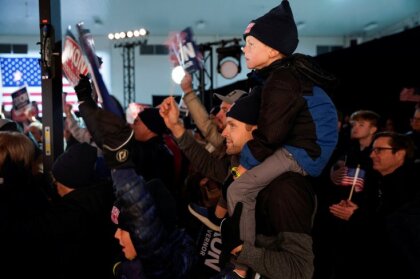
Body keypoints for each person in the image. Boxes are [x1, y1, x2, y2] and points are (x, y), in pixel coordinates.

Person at [160, 93, 316, 279]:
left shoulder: (286, 189)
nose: (224, 132)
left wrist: (241, 249)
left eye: (232, 125)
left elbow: (300, 269)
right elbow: (209, 165)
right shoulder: (242, 167)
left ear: (258, 132)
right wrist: (176, 128)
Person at [74, 87, 198, 278]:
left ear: (149, 127)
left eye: (138, 122)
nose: (133, 125)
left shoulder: (152, 154)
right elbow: (106, 142)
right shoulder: (161, 148)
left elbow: (140, 208)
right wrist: (86, 104)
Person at [329, 132, 419, 278]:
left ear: (400, 154)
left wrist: (355, 216)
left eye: (379, 150)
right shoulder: (380, 181)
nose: (372, 155)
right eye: (372, 150)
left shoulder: (409, 187)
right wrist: (356, 210)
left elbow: (393, 228)